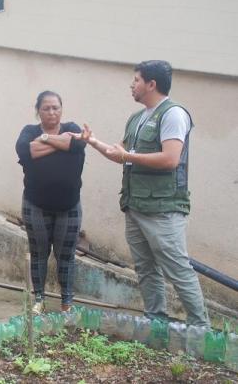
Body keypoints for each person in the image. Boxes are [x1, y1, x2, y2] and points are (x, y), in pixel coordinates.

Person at [75, 60, 209, 326]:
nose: (131, 85)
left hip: (164, 208)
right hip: (135, 205)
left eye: (136, 80)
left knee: (177, 267)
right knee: (146, 268)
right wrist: (92, 141)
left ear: (151, 84)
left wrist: (128, 155)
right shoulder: (137, 118)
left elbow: (170, 159)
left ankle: (200, 328)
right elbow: (121, 156)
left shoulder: (173, 114)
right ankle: (156, 321)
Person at [14, 91, 86, 313]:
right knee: (39, 253)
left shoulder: (72, 127)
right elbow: (25, 150)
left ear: (61, 109)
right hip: (36, 204)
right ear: (38, 111)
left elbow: (78, 144)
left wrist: (45, 140)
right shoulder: (29, 131)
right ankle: (39, 300)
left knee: (66, 256)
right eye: (46, 108)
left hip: (69, 205)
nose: (52, 112)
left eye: (56, 107)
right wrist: (61, 143)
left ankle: (67, 302)